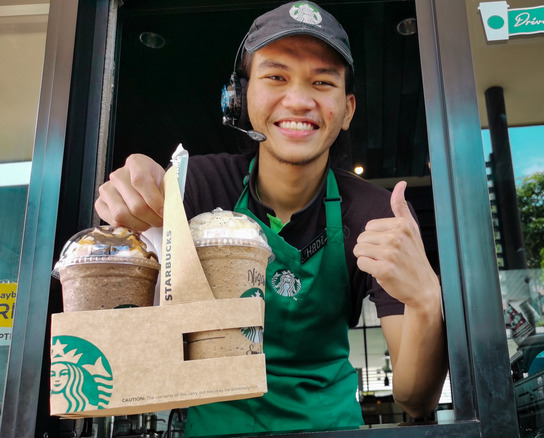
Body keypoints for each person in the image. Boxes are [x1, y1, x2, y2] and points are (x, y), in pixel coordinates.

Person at [94, 1, 448, 436]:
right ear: (239, 98)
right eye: (276, 77)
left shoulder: (376, 213)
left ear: (348, 109)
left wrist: (427, 301)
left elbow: (416, 398)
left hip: (332, 428)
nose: (299, 100)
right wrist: (131, 207)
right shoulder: (197, 188)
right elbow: (125, 346)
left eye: (322, 82)